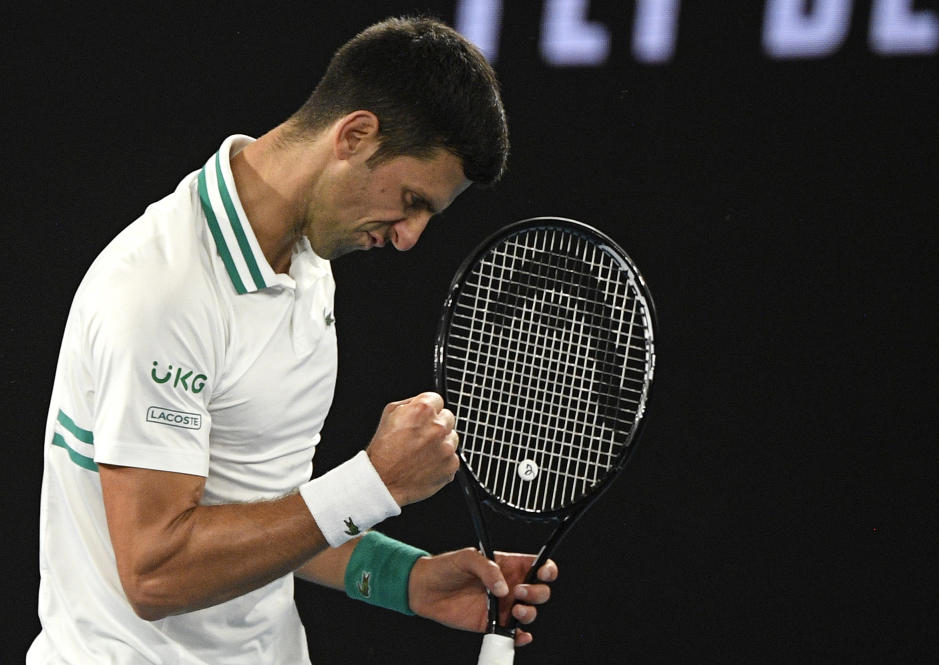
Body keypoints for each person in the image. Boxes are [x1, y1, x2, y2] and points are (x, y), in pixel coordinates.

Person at [28, 16, 557, 664]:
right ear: (355, 135)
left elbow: (263, 509)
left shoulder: (308, 265)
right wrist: (374, 481)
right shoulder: (162, 291)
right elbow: (155, 571)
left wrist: (407, 579)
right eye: (410, 199)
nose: (408, 236)